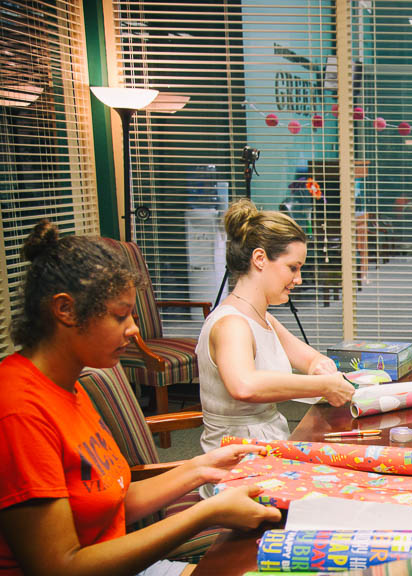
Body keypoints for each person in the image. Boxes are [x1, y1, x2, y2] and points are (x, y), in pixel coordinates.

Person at [0, 220, 281, 576]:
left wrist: (200, 467)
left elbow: (109, 500)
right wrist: (207, 512)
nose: (133, 329)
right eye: (120, 315)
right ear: (65, 310)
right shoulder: (19, 410)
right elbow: (60, 567)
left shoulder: (68, 386)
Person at [197, 199, 355, 480]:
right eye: (293, 268)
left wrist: (322, 368)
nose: (299, 279)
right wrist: (324, 385)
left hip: (267, 448)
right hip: (236, 466)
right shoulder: (232, 323)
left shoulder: (264, 318)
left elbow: (309, 358)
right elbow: (245, 385)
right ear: (260, 259)